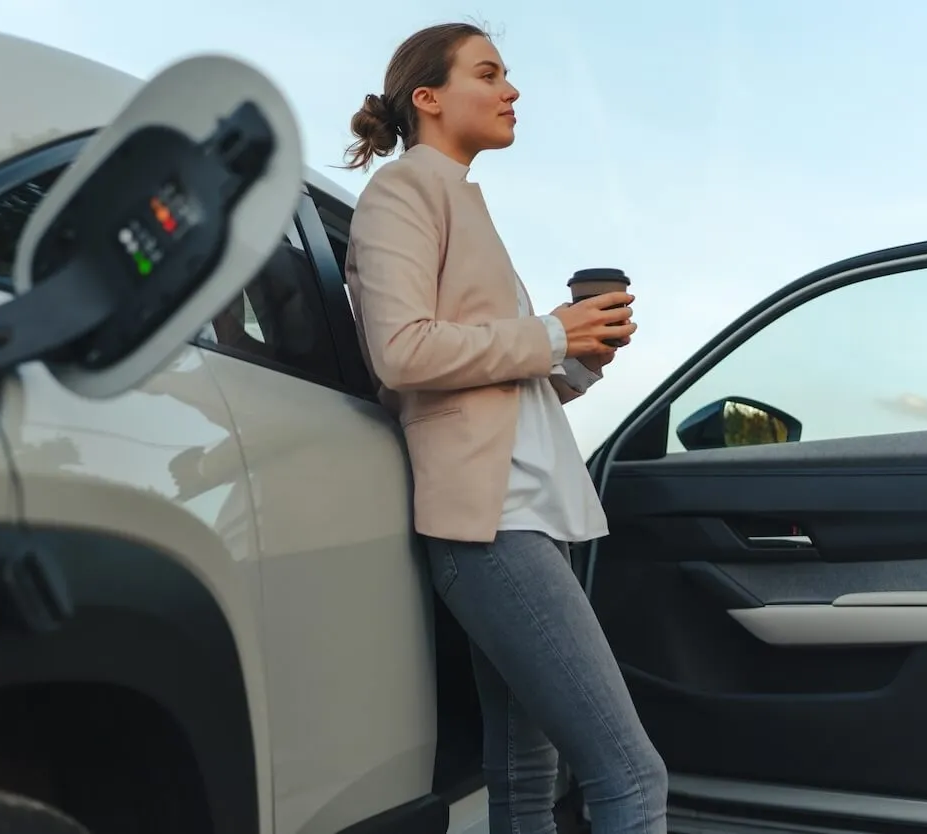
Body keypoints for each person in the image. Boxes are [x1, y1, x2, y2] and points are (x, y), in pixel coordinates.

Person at [339, 22, 667, 834]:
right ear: (429, 98)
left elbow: (505, 380)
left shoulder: (461, 202)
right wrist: (551, 331)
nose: (510, 90)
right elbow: (402, 352)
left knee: (525, 773)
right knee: (630, 774)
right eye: (488, 74)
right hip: (491, 525)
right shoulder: (405, 190)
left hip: (525, 517)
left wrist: (582, 355)